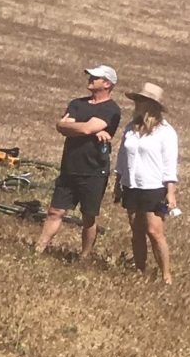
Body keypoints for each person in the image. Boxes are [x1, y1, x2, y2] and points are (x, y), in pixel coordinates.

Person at [34, 65, 122, 265]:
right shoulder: (77, 103)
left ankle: (84, 256)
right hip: (69, 166)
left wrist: (76, 127)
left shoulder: (111, 109)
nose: (90, 79)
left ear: (107, 84)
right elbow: (62, 126)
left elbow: (83, 129)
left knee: (88, 216)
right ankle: (39, 248)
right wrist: (77, 127)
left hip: (93, 170)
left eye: (95, 77)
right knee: (55, 211)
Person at [116, 83, 178, 286]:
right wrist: (118, 181)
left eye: (140, 101)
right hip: (131, 185)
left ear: (151, 105)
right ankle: (139, 269)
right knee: (136, 229)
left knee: (154, 231)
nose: (136, 105)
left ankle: (166, 275)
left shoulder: (165, 132)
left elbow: (170, 164)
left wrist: (170, 192)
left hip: (153, 186)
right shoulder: (130, 128)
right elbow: (122, 156)